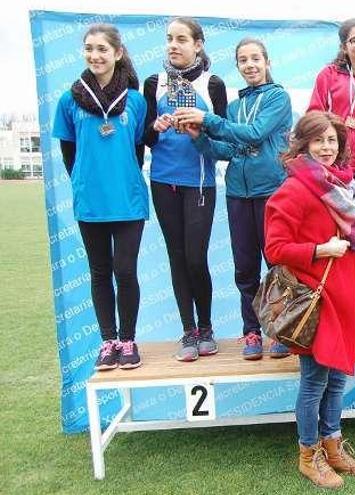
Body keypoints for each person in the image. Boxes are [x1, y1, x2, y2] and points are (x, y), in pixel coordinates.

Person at [264, 111, 355, 489]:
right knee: (314, 381)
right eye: (319, 140)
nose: (327, 148)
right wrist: (319, 249)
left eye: (333, 140)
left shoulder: (345, 184)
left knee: (337, 378)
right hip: (315, 296)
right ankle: (309, 455)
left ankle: (333, 446)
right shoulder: (295, 188)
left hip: (344, 292)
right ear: (303, 144)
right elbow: (275, 248)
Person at [174, 38, 292, 360]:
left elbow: (254, 133)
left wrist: (208, 120)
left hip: (272, 192)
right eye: (243, 60)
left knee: (277, 265)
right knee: (245, 268)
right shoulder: (234, 106)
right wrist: (199, 139)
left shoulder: (278, 97)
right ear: (238, 66)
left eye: (255, 58)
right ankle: (251, 332)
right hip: (238, 194)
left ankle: (281, 329)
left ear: (267, 62)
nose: (250, 65)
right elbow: (227, 150)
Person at [52, 23, 147, 371]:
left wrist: (120, 178)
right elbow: (69, 153)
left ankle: (128, 339)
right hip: (90, 202)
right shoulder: (69, 99)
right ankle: (108, 341)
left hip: (128, 200)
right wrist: (85, 181)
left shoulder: (134, 100)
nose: (95, 55)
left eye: (102, 49)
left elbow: (137, 150)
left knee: (125, 270)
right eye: (89, 48)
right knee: (99, 272)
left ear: (117, 53)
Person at [143, 17, 228, 362]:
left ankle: (206, 327)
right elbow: (145, 139)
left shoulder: (213, 83)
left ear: (198, 44)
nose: (173, 45)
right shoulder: (154, 82)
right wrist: (157, 125)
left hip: (200, 184)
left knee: (195, 257)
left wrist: (199, 126)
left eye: (181, 39)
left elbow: (223, 136)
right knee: (176, 257)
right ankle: (188, 331)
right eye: (169, 39)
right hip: (163, 181)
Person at [308, 19, 355, 262]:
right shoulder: (329, 76)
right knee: (348, 239)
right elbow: (314, 118)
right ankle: (350, 298)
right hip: (341, 171)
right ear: (344, 46)